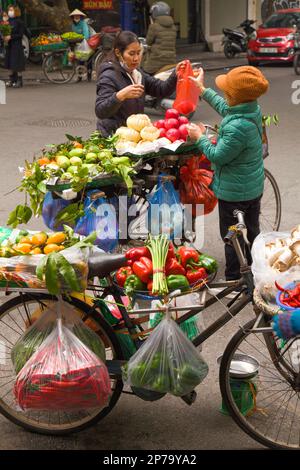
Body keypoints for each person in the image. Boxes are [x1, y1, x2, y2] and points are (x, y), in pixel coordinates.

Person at [187, 66, 269, 292]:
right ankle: (255, 267)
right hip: (252, 186)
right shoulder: (251, 110)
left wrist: (199, 138)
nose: (224, 95)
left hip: (234, 193)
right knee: (253, 229)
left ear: (234, 96)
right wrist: (203, 89)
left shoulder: (236, 128)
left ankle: (235, 278)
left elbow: (217, 156)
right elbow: (227, 109)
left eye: (226, 91)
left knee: (231, 235)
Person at [95, 30, 183, 137]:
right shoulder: (109, 76)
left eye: (138, 53)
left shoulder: (137, 74)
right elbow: (100, 111)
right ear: (118, 53)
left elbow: (162, 89)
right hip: (112, 135)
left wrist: (175, 74)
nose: (136, 58)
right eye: (131, 54)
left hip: (133, 136)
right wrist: (121, 95)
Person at [143, 1, 177, 74]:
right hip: (171, 59)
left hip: (157, 60)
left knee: (144, 73)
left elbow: (148, 42)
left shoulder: (154, 26)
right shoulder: (173, 27)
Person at [4, 4, 25, 88]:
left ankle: (19, 81)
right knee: (10, 63)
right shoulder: (7, 21)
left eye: (11, 10)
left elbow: (20, 34)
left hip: (16, 45)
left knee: (17, 63)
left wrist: (11, 37)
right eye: (9, 10)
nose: (10, 12)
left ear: (16, 11)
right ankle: (12, 80)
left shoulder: (20, 22)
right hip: (9, 45)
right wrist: (4, 36)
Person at [69, 9, 92, 82]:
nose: (76, 17)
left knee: (88, 60)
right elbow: (73, 34)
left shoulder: (83, 24)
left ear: (80, 16)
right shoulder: (73, 25)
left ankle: (89, 77)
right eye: (75, 16)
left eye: (78, 16)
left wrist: (81, 39)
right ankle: (80, 77)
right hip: (78, 44)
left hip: (86, 43)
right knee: (80, 60)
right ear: (73, 17)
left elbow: (86, 35)